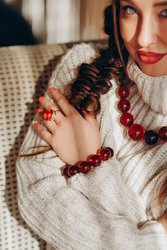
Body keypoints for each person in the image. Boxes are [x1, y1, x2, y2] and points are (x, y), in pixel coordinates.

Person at [16, 0, 167, 249]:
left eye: (165, 12)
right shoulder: (86, 68)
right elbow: (36, 189)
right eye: (130, 10)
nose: (143, 38)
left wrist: (91, 161)